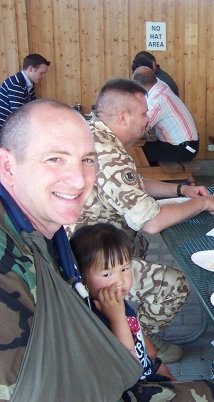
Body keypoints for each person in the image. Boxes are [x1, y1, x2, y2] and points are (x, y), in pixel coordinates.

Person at [67, 78, 214, 363]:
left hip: (96, 244)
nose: (148, 119)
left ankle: (125, 324)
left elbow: (135, 184)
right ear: (123, 117)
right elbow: (152, 222)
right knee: (174, 285)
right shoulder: (109, 154)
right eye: (143, 113)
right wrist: (200, 203)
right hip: (91, 260)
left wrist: (181, 190)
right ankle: (134, 341)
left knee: (140, 247)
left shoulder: (96, 135)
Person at [0, 99, 142, 400]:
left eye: (87, 160)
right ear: (8, 167)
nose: (79, 180)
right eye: (55, 159)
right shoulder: (7, 263)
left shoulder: (45, 232)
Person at [70, 223, 174, 383]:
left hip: (148, 369)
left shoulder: (113, 299)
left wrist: (154, 360)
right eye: (107, 274)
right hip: (137, 385)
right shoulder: (94, 315)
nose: (120, 280)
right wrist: (117, 318)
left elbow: (133, 326)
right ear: (82, 277)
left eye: (125, 269)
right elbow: (127, 363)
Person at [131, 66, 198, 184]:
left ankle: (140, 183)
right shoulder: (161, 85)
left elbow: (140, 128)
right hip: (186, 145)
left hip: (184, 149)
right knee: (143, 147)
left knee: (135, 152)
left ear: (138, 85)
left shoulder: (157, 100)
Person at [0, 53, 50, 130]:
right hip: (5, 130)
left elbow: (33, 106)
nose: (43, 77)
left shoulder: (28, 83)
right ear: (30, 69)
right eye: (41, 73)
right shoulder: (15, 84)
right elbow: (19, 116)